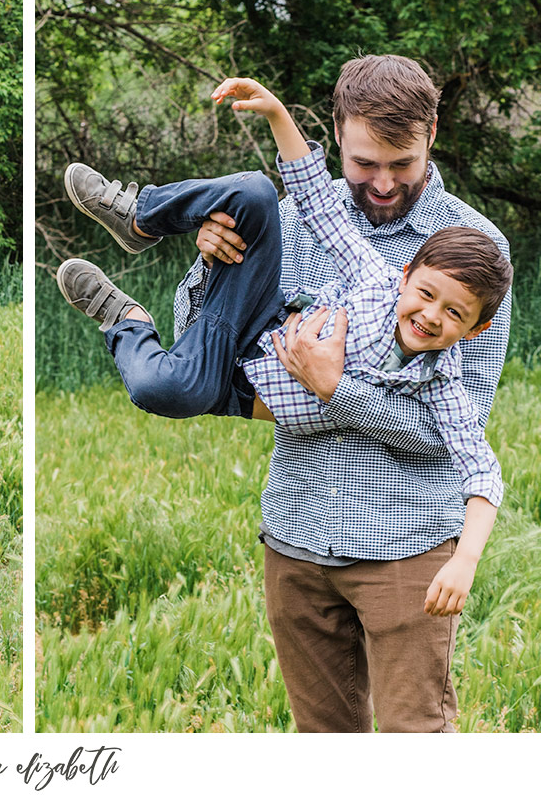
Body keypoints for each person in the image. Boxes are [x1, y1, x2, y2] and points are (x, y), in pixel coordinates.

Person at [62, 55, 512, 732]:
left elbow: (452, 434)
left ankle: (129, 309)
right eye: (364, 164)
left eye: (402, 163)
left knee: (415, 745)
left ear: (432, 137)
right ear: (337, 134)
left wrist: (337, 390)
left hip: (403, 546)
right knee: (322, 746)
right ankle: (140, 219)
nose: (384, 184)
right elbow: (199, 339)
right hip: (297, 535)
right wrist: (210, 261)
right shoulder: (309, 221)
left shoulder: (477, 259)